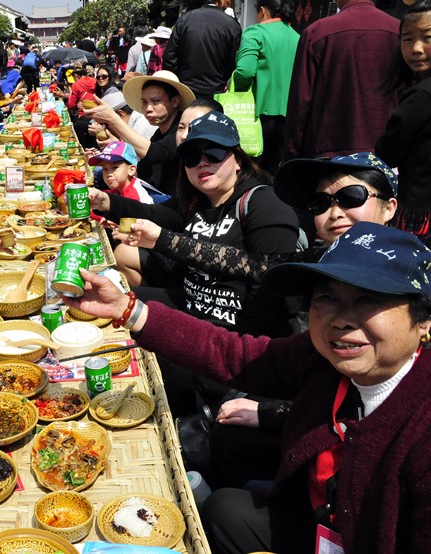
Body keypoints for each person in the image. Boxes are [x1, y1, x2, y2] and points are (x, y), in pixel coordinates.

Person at [64, 222, 431, 554]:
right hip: (318, 524)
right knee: (227, 510)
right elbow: (233, 355)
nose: (342, 319)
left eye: (370, 299)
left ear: (423, 320)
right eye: (327, 298)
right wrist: (129, 311)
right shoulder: (322, 359)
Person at [121, 152, 399, 484]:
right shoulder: (319, 258)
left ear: (390, 207)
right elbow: (249, 264)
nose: (334, 211)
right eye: (320, 201)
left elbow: (376, 405)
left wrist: (270, 412)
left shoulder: (413, 285)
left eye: (350, 197)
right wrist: (157, 249)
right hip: (310, 401)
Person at [89, 110, 300, 340]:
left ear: (238, 160)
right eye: (191, 157)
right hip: (191, 305)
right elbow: (151, 212)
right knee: (104, 303)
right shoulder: (195, 202)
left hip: (233, 334)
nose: (202, 162)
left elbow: (267, 295)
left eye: (215, 152)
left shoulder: (264, 204)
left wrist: (231, 354)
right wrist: (105, 201)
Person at [284, 0, 399, 159]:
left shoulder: (317, 33)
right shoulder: (399, 31)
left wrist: (292, 154)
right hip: (388, 153)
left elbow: (301, 102)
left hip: (329, 154)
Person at [84, 71, 196, 196]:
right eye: (144, 102)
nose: (148, 108)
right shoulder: (158, 134)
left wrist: (112, 118)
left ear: (175, 101)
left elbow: (157, 153)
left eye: (156, 101)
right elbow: (142, 170)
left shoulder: (183, 130)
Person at [376, 0, 431, 244]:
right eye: (408, 39)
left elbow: (387, 151)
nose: (416, 48)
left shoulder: (422, 96)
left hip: (420, 214)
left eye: (427, 37)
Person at [232, 0, 299, 173]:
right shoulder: (296, 36)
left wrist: (234, 86)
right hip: (289, 116)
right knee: (272, 170)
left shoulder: (256, 32)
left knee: (249, 169)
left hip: (257, 115)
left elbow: (245, 72)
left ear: (262, 11)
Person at [162, 0, 241, 99]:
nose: (230, 2)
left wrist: (176, 82)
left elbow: (169, 56)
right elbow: (234, 60)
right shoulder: (232, 25)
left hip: (186, 90)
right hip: (216, 92)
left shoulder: (185, 19)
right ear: (220, 1)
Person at [89, 141, 154, 203]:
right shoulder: (119, 188)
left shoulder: (132, 195)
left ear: (131, 170)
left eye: (115, 168)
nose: (109, 174)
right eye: (105, 169)